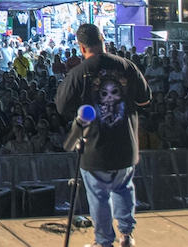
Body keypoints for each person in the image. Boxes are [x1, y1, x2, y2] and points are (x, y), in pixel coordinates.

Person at [54, 24, 150, 247]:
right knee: (124, 188)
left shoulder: (79, 72)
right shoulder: (127, 66)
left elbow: (61, 106)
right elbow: (145, 99)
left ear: (81, 47)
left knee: (99, 196)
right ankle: (126, 235)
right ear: (103, 39)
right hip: (126, 143)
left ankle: (104, 241)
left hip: (95, 145)